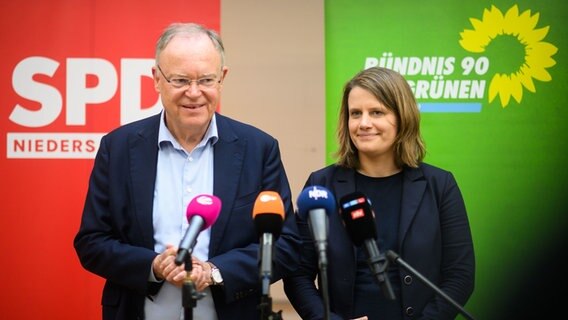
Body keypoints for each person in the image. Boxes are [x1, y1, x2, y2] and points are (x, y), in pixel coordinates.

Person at [74, 22, 300, 320]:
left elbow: (285, 244)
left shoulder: (258, 149)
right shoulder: (118, 148)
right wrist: (153, 265)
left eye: (206, 79)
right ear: (156, 78)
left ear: (222, 78)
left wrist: (214, 271)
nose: (194, 93)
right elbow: (92, 242)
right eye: (180, 80)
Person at [284, 67, 475, 320]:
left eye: (377, 112)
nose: (364, 123)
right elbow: (298, 273)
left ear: (402, 117)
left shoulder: (439, 185)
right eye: (355, 114)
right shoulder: (321, 185)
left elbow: (459, 274)